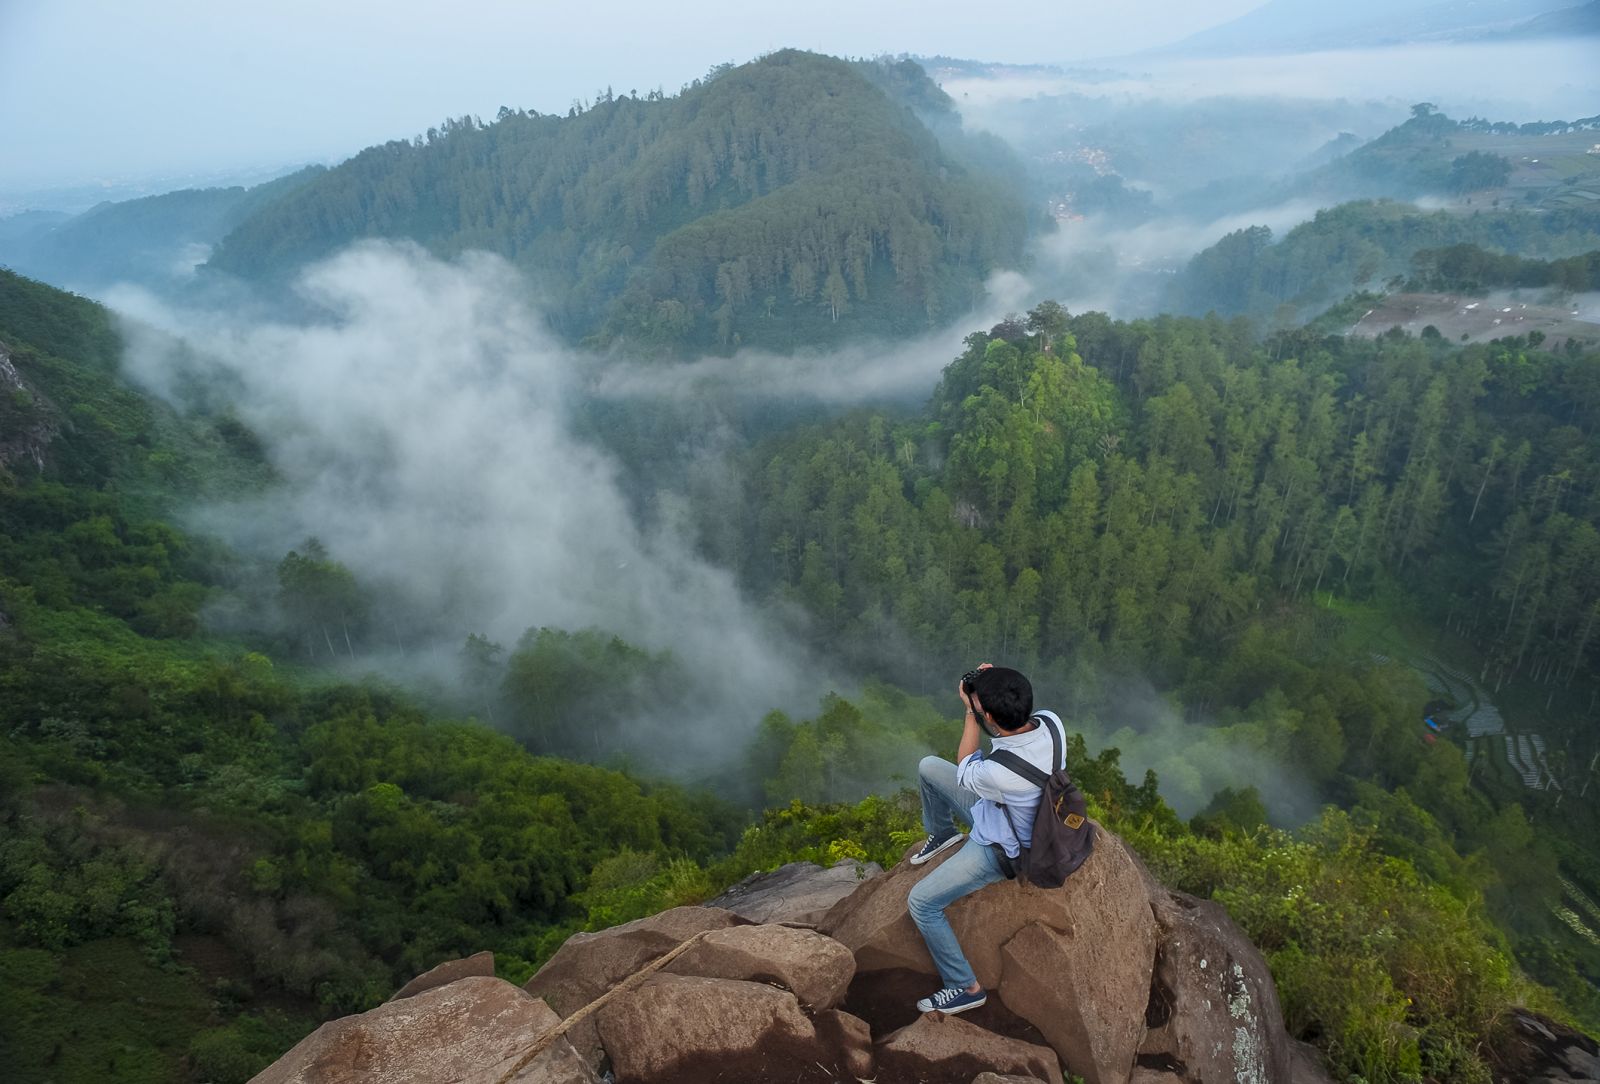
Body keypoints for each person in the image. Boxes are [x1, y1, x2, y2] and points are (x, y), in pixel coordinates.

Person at [905, 663, 1064, 1015]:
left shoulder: (998, 774)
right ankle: (943, 833)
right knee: (928, 766)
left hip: (999, 848)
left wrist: (969, 711)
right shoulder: (1052, 723)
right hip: (1002, 806)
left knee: (921, 903)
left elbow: (965, 764)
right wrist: (996, 683)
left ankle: (964, 986)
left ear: (988, 716)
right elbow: (1009, 729)